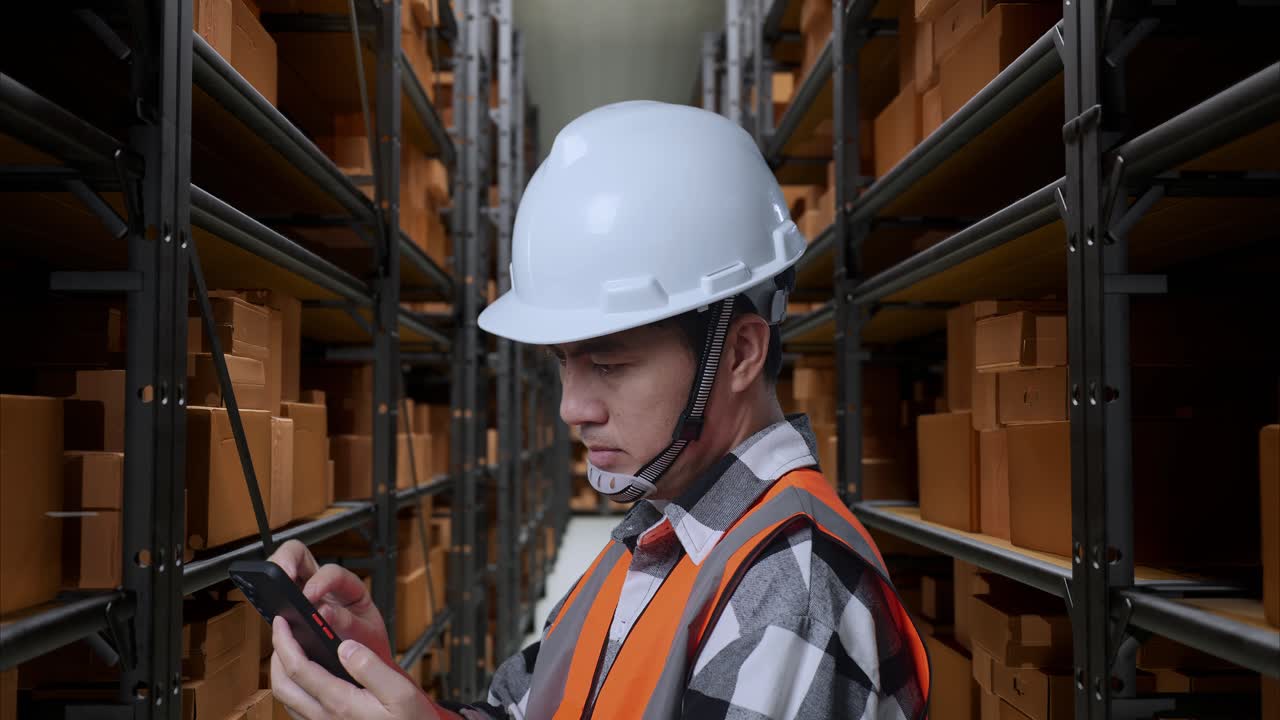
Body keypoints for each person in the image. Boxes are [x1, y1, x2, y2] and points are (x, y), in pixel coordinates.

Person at [267, 101, 930, 720]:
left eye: (609, 364)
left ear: (739, 355)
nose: (571, 409)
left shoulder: (789, 595)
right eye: (563, 363)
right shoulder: (656, 536)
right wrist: (388, 688)